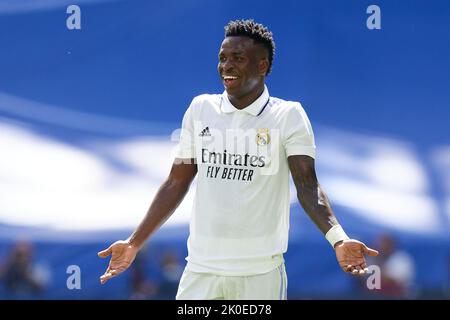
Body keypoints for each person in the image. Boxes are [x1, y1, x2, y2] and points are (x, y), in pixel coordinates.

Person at [98, 19, 379, 300]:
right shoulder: (200, 109)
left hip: (259, 274)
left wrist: (338, 238)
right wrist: (134, 243)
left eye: (238, 58)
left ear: (263, 66)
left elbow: (308, 186)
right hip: (200, 270)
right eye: (222, 58)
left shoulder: (289, 115)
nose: (226, 66)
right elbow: (175, 182)